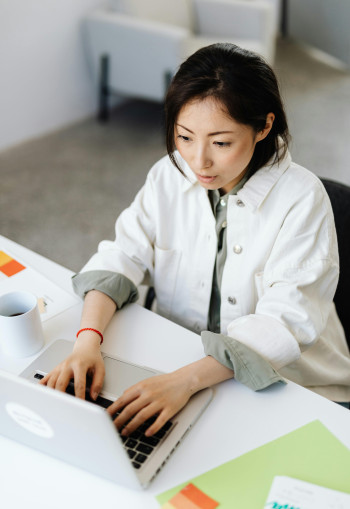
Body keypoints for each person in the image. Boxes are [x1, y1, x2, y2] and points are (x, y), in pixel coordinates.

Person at [41, 43, 350, 436]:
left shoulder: (303, 200)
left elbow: (284, 323)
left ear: (264, 126)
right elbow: (123, 254)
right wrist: (86, 342)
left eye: (221, 143)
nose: (198, 161)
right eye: (184, 136)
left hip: (293, 385)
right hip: (183, 364)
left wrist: (183, 382)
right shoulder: (169, 175)